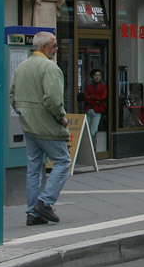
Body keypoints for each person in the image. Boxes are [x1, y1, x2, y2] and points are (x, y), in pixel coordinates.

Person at [10, 31, 70, 226]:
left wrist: (22, 112)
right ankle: (45, 202)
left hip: (28, 124)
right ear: (44, 47)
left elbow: (13, 95)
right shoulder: (50, 68)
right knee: (62, 161)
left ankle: (32, 212)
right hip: (47, 125)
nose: (56, 49)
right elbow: (53, 99)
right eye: (54, 46)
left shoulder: (22, 67)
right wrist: (61, 118)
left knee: (34, 167)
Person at [83, 68, 107, 138]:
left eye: (99, 75)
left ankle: (93, 146)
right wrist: (96, 100)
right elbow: (86, 98)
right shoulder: (88, 86)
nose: (97, 77)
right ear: (92, 76)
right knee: (86, 130)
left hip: (97, 110)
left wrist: (92, 96)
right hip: (88, 109)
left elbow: (103, 97)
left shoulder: (103, 86)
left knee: (93, 131)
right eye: (95, 75)